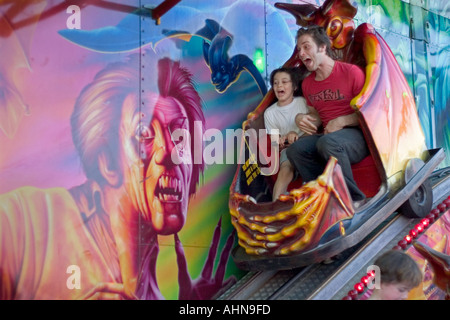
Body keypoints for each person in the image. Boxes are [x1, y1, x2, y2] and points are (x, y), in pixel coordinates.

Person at [0, 55, 234, 299]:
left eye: (179, 135)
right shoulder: (27, 223)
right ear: (108, 162)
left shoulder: (153, 293)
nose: (169, 152)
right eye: (144, 133)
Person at [286, 25, 369, 207]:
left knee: (327, 142)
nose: (301, 53)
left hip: (358, 136)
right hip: (329, 137)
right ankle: (324, 196)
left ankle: (353, 199)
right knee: (295, 150)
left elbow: (370, 113)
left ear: (322, 47)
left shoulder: (351, 73)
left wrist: (341, 121)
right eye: (299, 49)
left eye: (306, 47)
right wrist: (301, 118)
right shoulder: (307, 84)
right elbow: (316, 117)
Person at [264, 67, 308, 200]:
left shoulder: (303, 103)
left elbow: (314, 130)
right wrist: (282, 140)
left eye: (284, 82)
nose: (279, 86)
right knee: (285, 168)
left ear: (294, 86)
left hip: (307, 143)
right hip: (288, 149)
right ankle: (275, 204)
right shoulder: (270, 113)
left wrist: (296, 134)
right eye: (276, 83)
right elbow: (275, 143)